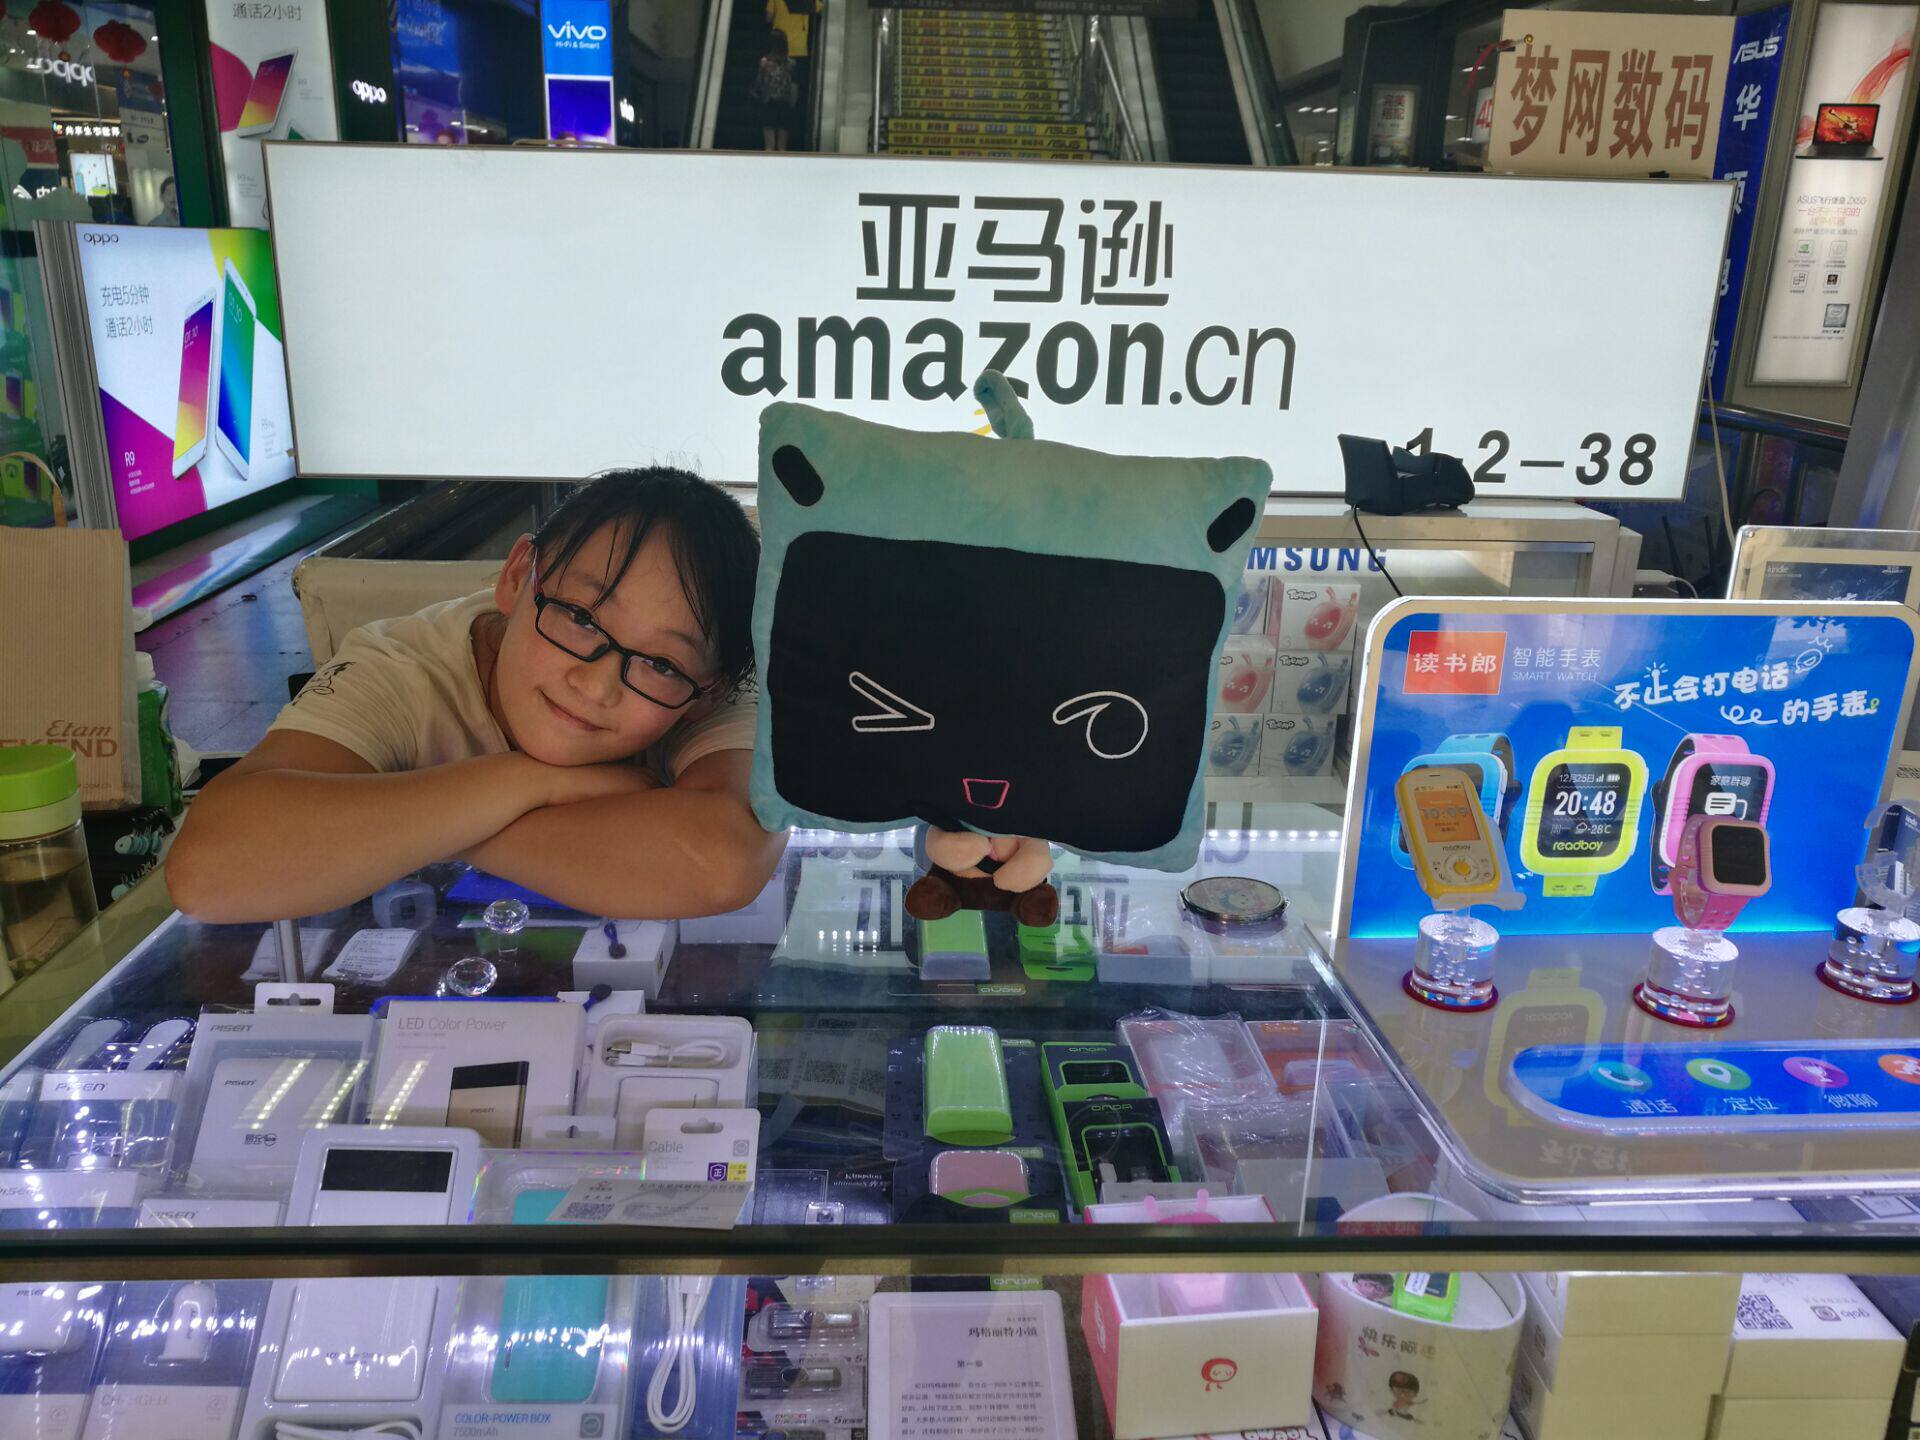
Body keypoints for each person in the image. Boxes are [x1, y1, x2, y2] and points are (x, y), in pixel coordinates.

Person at [166, 468, 786, 924]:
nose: (596, 684)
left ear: (710, 693)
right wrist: (527, 783)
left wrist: (428, 829)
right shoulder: (404, 667)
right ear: (516, 578)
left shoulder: (713, 685)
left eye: (659, 663)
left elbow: (720, 863)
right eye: (579, 617)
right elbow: (209, 869)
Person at [765, 0, 818, 139]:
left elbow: (768, 17)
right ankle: (789, 112)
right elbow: (818, 9)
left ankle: (772, 112)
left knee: (773, 82)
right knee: (793, 84)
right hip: (798, 48)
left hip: (778, 45)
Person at [750, 33, 798, 151]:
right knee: (782, 145)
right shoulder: (791, 64)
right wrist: (793, 104)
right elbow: (793, 86)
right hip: (785, 103)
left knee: (769, 145)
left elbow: (759, 82)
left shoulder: (765, 62)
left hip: (768, 101)